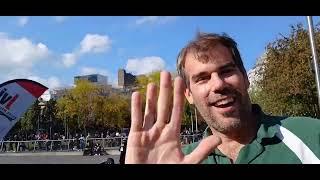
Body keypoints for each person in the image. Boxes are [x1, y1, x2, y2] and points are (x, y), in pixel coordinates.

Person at [125, 32, 320, 164]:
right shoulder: (180, 159)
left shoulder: (310, 136)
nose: (218, 84)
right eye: (202, 78)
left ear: (245, 78)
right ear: (189, 95)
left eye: (226, 71)